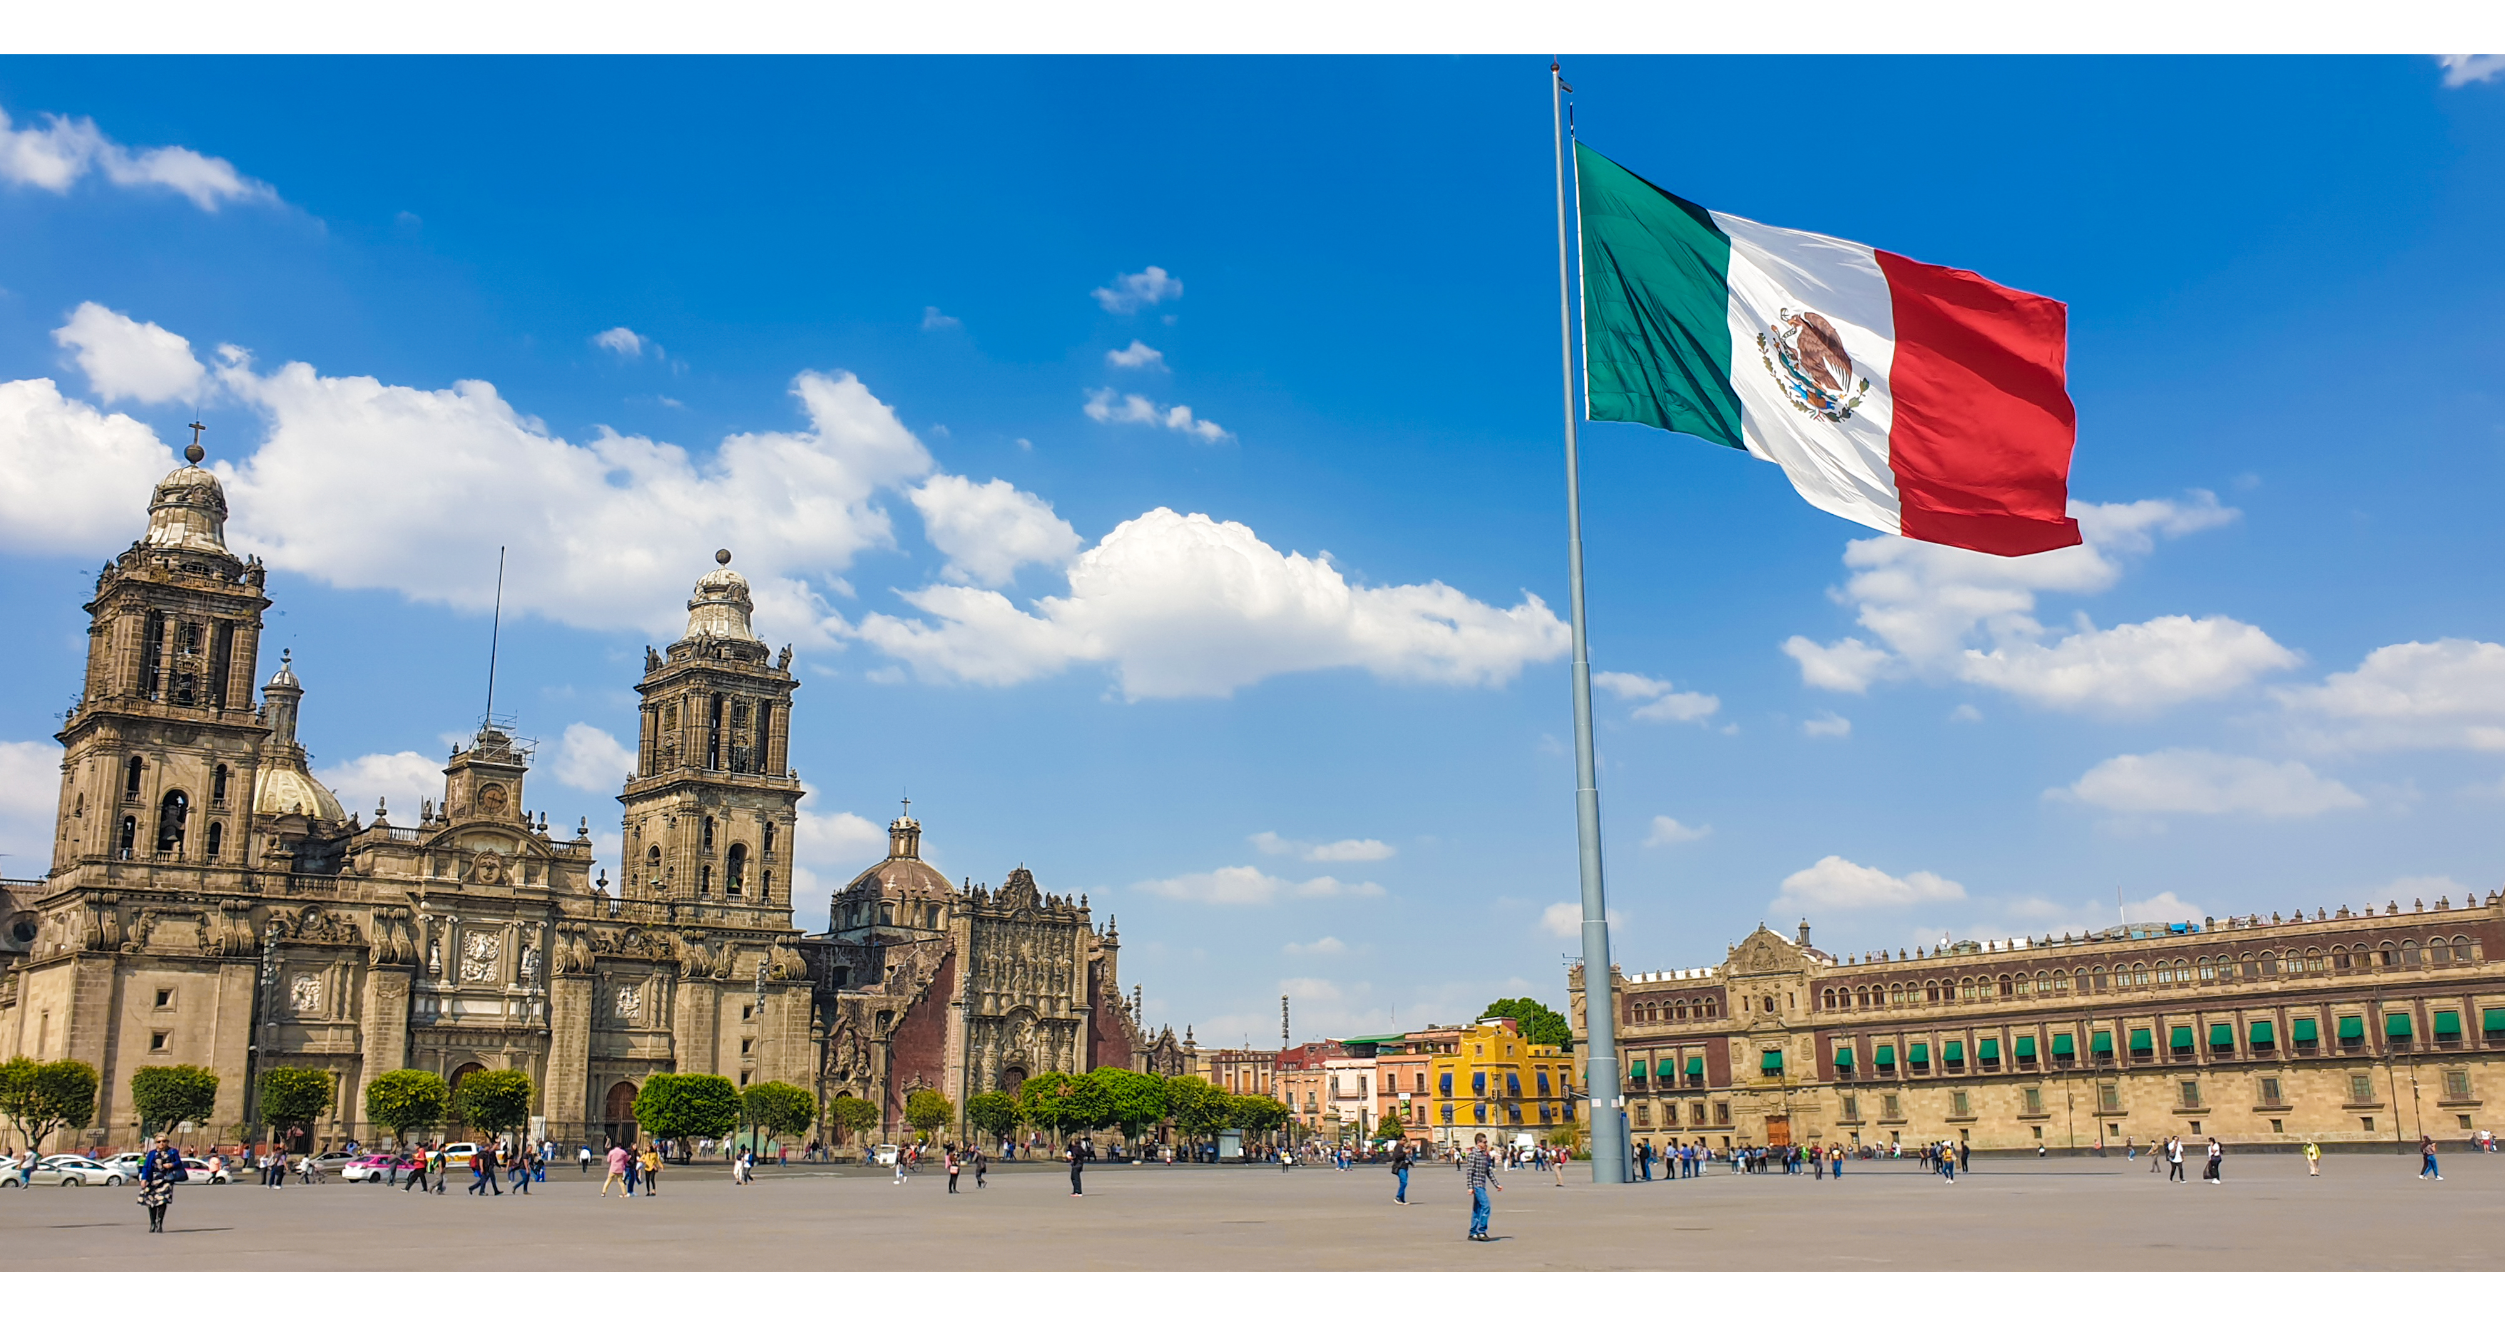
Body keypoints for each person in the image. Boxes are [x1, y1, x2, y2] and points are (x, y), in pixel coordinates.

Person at [137, 1135, 184, 1233]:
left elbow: (179, 1162)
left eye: (164, 1141)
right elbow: (146, 1166)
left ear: (167, 1142)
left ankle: (159, 1224)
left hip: (166, 1179)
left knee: (162, 1201)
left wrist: (172, 1164)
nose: (161, 1143)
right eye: (159, 1142)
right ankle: (152, 1223)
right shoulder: (152, 1153)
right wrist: (144, 1179)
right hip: (153, 1180)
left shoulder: (172, 1151)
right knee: (151, 1202)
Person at [1463, 1133, 1500, 1242]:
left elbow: (1488, 1171)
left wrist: (1496, 1184)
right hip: (1476, 1185)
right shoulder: (1473, 1155)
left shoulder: (1484, 1155)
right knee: (1486, 1205)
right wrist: (1470, 1187)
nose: (1486, 1144)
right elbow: (1470, 1172)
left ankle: (1473, 1232)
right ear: (1478, 1143)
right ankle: (1481, 1231)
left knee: (1477, 1209)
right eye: (1484, 1142)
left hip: (1482, 1185)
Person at [1390, 1140, 1412, 1205]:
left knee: (1403, 1183)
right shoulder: (1398, 1147)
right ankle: (1398, 1197)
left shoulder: (1402, 1147)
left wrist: (1411, 1163)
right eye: (1403, 1140)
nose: (1405, 1142)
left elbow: (1406, 1158)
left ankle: (1402, 1199)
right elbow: (1397, 1156)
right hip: (1400, 1167)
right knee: (1404, 1182)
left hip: (1404, 1167)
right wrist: (1405, 1152)